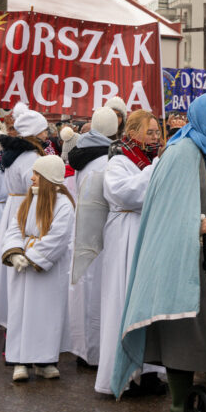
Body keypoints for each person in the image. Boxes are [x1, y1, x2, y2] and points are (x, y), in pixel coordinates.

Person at [111, 93, 206, 412]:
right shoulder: (180, 153)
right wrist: (193, 222)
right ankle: (179, 405)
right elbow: (162, 208)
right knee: (186, 331)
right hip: (188, 257)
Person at [95, 110, 165, 396]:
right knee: (123, 302)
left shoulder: (147, 160)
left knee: (148, 304)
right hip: (125, 233)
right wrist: (157, 169)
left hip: (148, 235)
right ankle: (122, 375)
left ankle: (148, 370)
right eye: (150, 133)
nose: (156, 138)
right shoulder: (120, 161)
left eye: (158, 133)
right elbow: (125, 193)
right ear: (133, 134)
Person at [2, 155, 76, 382]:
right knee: (20, 311)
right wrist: (15, 252)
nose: (31, 178)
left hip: (47, 269)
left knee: (46, 313)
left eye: (36, 174)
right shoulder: (27, 201)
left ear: (47, 177)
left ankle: (45, 360)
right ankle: (19, 360)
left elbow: (59, 236)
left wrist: (34, 257)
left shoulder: (63, 204)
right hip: (22, 266)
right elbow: (15, 227)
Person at [0, 102, 49, 330]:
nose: (47, 133)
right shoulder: (30, 157)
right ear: (36, 133)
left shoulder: (18, 154)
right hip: (25, 207)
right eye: (44, 130)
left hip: (15, 205)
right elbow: (34, 185)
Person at [67, 106, 120, 367]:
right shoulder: (107, 159)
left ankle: (83, 348)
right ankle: (96, 352)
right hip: (101, 229)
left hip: (84, 228)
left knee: (84, 290)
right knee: (98, 291)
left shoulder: (84, 154)